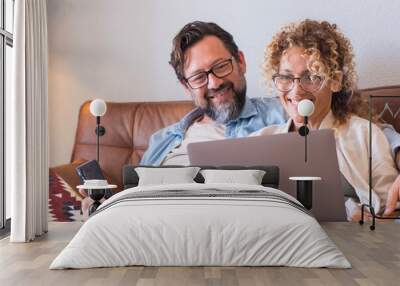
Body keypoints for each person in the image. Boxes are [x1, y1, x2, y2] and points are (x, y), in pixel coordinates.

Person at [140, 21, 400, 169]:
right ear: (186, 85)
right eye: (199, 77)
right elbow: (133, 193)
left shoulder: (287, 111)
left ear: (240, 62)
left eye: (221, 66)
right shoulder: (162, 141)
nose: (215, 82)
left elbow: (365, 133)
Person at [252, 19, 399, 220]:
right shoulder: (259, 141)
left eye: (311, 77)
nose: (296, 91)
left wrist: (368, 221)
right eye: (286, 78)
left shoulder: (365, 134)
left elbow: (392, 209)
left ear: (335, 80)